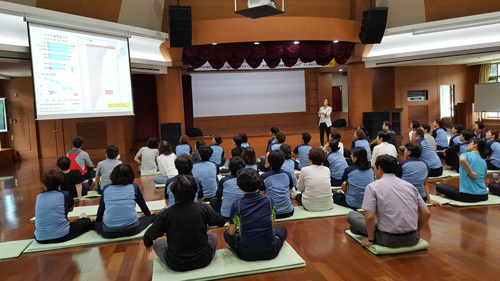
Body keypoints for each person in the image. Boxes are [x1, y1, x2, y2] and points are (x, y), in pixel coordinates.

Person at [143, 175, 226, 272]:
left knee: (158, 243)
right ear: (195, 191)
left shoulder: (166, 214)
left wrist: (148, 244)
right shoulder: (203, 208)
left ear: (173, 192)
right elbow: (221, 221)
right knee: (213, 236)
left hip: (176, 264)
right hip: (203, 260)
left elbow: (148, 237)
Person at [347, 155, 431, 248]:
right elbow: (426, 213)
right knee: (356, 227)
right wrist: (415, 233)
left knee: (352, 215)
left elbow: (370, 217)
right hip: (413, 238)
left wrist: (370, 240)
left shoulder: (373, 186)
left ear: (380, 168)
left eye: (375, 167)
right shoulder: (409, 186)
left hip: (388, 239)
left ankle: (363, 232)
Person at [224, 168, 288, 261]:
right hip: (271, 251)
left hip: (247, 254)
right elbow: (272, 223)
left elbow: (231, 232)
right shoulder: (269, 200)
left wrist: (231, 225)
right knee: (282, 229)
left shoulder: (236, 204)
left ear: (240, 186)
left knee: (227, 233)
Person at [94, 164, 156, 238]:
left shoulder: (106, 188)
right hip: (133, 229)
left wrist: (98, 220)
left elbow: (101, 207)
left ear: (113, 175)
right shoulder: (134, 187)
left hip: (108, 232)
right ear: (131, 175)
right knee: (153, 217)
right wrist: (148, 214)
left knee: (92, 223)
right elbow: (142, 204)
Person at [34, 169, 92, 243]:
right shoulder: (65, 194)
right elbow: (71, 209)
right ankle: (84, 218)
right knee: (87, 221)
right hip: (62, 235)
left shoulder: (39, 196)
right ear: (61, 182)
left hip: (40, 238)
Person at [436, 138, 488, 202]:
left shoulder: (466, 155)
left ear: (475, 145)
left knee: (439, 186)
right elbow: (482, 177)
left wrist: (470, 172)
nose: (468, 145)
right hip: (484, 195)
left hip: (468, 196)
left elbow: (462, 160)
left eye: (470, 143)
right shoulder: (483, 161)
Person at [260, 150, 295, 219]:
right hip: (288, 212)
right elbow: (289, 193)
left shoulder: (264, 177)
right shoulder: (287, 174)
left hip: (271, 213)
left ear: (269, 161)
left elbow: (262, 196)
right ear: (283, 161)